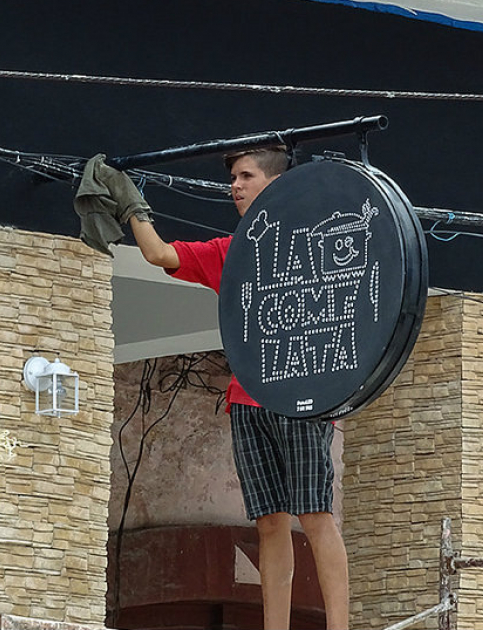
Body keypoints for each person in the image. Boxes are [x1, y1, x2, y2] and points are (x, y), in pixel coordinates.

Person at [127, 146, 350, 630]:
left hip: (303, 396)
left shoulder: (313, 244)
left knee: (314, 514)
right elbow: (158, 253)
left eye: (245, 175)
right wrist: (131, 207)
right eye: (233, 176)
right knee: (269, 520)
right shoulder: (232, 251)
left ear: (274, 184)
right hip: (248, 397)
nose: (235, 185)